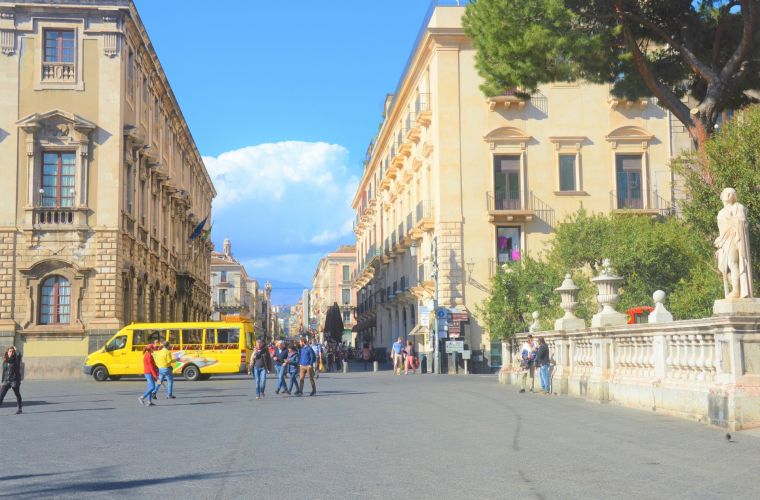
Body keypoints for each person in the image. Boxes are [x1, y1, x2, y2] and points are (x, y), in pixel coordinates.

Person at [0, 346, 23, 414]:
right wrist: (3, 380)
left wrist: (17, 350)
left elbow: (19, 355)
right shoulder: (5, 361)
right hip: (6, 381)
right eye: (10, 351)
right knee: (1, 395)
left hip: (14, 380)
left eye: (12, 352)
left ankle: (19, 408)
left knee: (17, 394)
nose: (11, 353)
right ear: (7, 352)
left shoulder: (16, 360)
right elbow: (4, 371)